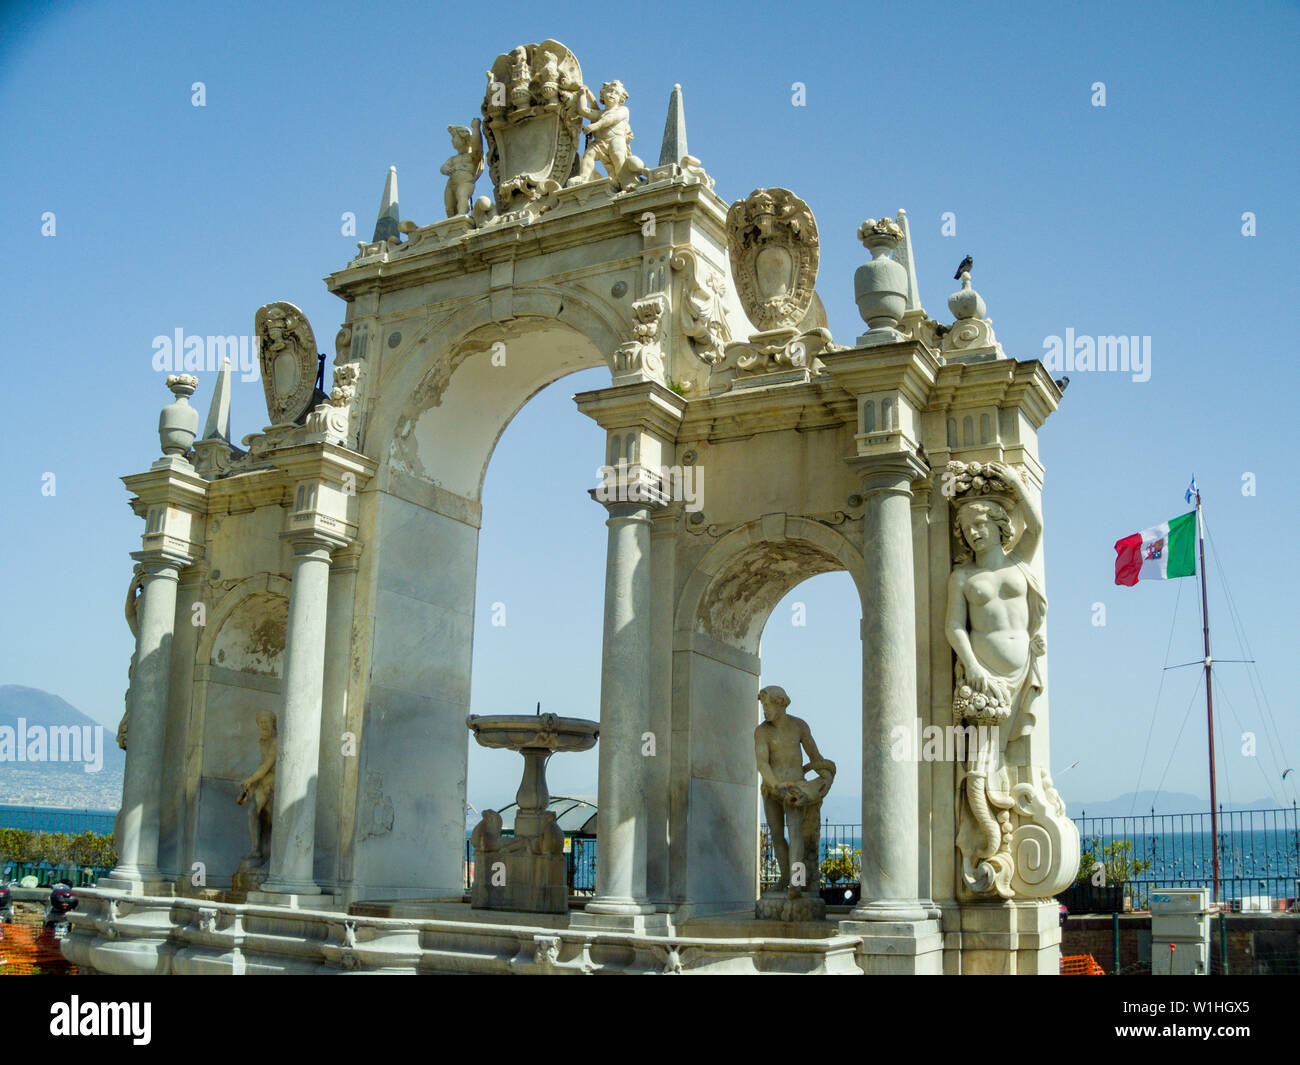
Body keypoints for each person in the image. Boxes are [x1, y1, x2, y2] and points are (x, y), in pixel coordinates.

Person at [753, 686, 834, 894]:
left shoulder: (799, 726)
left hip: (795, 789)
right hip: (772, 790)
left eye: (768, 706)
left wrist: (826, 776)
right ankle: (785, 878)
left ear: (780, 704)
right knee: (776, 835)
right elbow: (762, 763)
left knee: (795, 833)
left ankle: (796, 882)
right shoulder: (762, 731)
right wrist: (775, 784)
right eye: (763, 706)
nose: (765, 710)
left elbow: (815, 757)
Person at [237, 713, 277, 864]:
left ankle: (272, 853)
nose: (263, 726)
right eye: (260, 723)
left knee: (272, 817)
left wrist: (251, 779)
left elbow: (268, 764)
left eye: (266, 722)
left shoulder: (276, 742)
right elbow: (263, 764)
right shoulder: (263, 742)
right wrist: (252, 782)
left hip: (274, 782)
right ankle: (255, 849)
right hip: (264, 782)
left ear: (273, 724)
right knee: (252, 812)